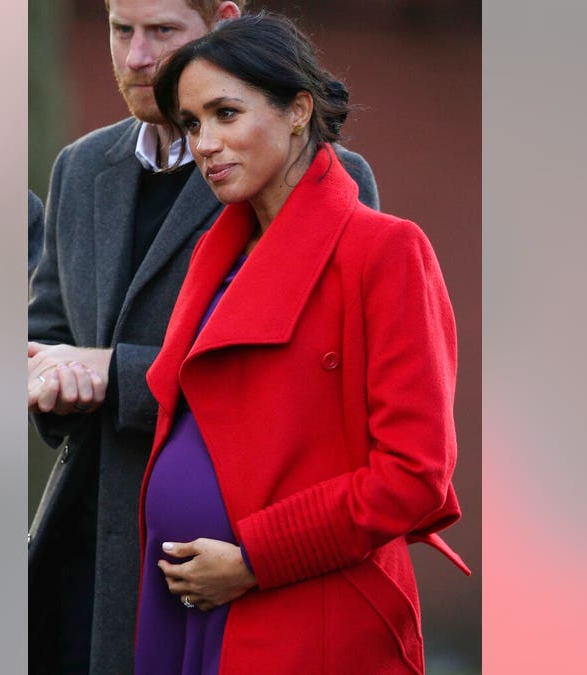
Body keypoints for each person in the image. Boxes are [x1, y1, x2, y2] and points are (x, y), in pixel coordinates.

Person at [26, 1, 380, 672]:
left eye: (162, 31)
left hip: (218, 569)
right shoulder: (78, 167)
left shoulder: (316, 178)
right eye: (120, 30)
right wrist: (51, 380)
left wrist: (114, 373)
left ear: (221, 21)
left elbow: (297, 385)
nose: (135, 57)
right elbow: (48, 332)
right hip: (77, 570)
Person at [136, 13, 470, 673]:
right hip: (185, 605)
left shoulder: (385, 250)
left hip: (301, 608)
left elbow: (414, 475)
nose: (205, 143)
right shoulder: (215, 252)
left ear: (297, 111)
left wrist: (256, 559)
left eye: (226, 113)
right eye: (193, 123)